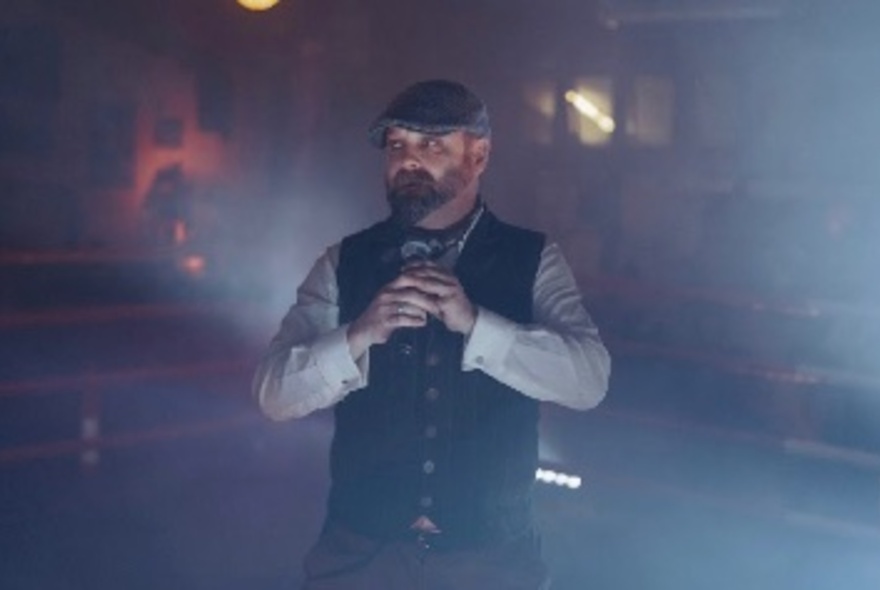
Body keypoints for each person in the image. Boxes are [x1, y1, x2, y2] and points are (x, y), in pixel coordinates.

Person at [253, 79, 611, 590]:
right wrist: (357, 335)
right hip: (359, 558)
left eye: (432, 144)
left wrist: (477, 325)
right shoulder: (344, 261)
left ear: (479, 155)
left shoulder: (532, 258)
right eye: (397, 145)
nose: (409, 159)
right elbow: (273, 395)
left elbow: (588, 382)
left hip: (489, 563)